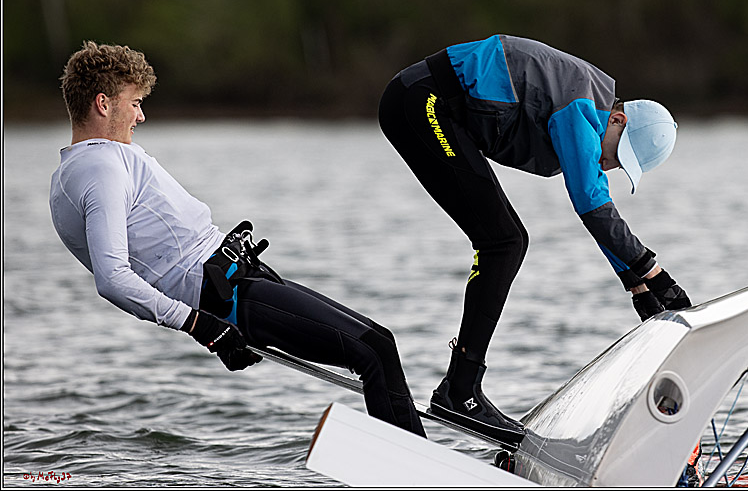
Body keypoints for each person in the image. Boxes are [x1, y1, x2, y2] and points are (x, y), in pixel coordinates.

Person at [49, 41, 425, 437]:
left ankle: (417, 458)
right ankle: (421, 474)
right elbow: (112, 279)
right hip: (228, 298)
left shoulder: (87, 167)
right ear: (103, 104)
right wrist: (199, 325)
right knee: (374, 353)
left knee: (380, 342)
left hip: (239, 278)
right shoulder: (98, 167)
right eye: (135, 103)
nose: (141, 115)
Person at [378, 33, 691, 445]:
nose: (607, 164)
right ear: (617, 120)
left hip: (428, 105)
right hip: (423, 103)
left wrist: (635, 284)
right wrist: (656, 272)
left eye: (617, 166)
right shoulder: (581, 103)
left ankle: (460, 388)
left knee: (507, 241)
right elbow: (592, 206)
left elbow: (597, 207)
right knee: (504, 243)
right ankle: (460, 392)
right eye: (615, 155)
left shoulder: (591, 109)